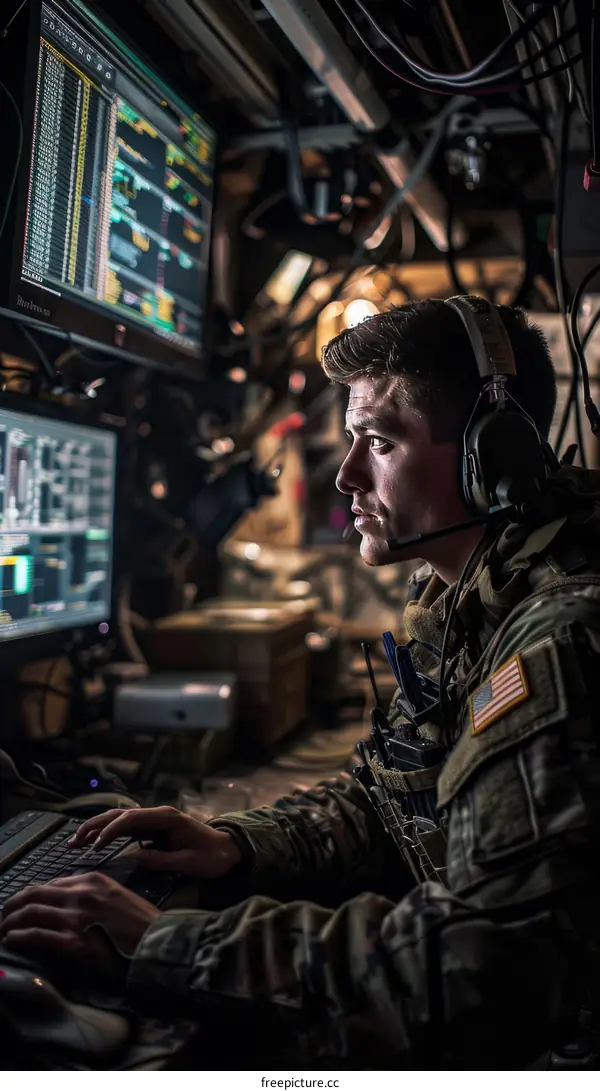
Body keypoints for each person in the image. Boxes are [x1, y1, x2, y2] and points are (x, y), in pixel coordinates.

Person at [2, 296, 600, 1069]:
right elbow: (391, 801)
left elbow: (478, 970)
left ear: (494, 457)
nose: (346, 475)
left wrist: (161, 942)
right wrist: (237, 844)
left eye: (379, 441)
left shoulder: (561, 637)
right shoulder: (467, 596)